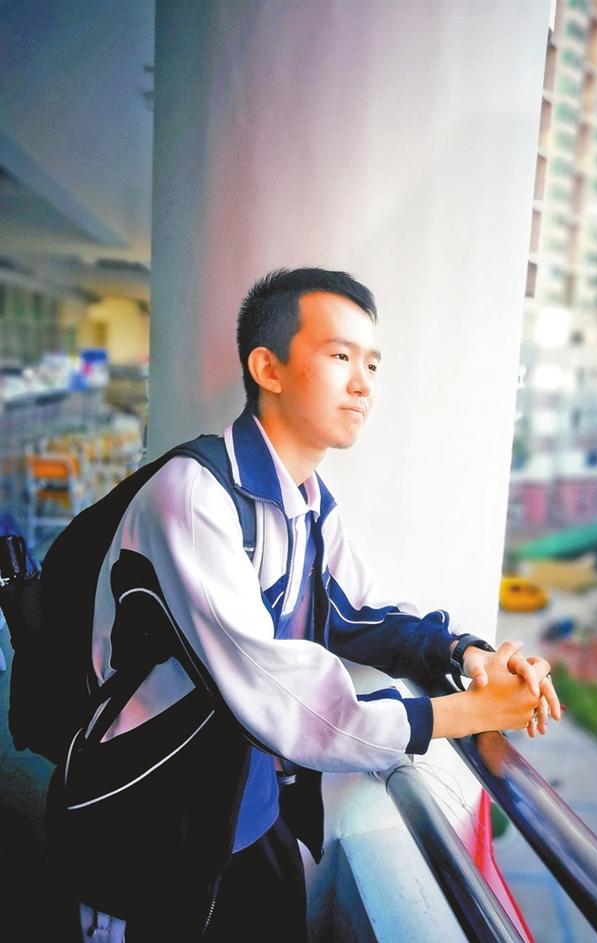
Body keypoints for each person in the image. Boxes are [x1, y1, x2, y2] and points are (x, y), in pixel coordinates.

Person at [67, 268, 559, 942]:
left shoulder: (308, 501)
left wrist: (468, 654)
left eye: (372, 363)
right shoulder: (193, 496)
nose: (364, 384)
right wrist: (471, 713)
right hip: (148, 815)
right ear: (267, 368)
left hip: (247, 805)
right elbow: (282, 695)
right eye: (339, 356)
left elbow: (365, 613)